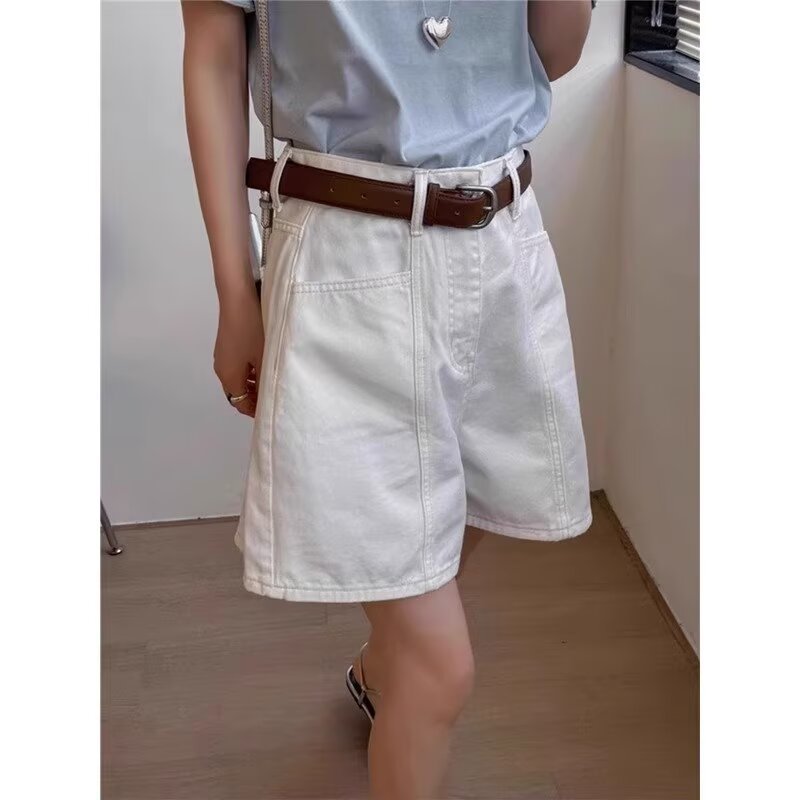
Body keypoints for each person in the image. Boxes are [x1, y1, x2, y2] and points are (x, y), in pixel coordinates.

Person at [181, 1, 593, 797]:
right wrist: (235, 292)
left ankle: (382, 668)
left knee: (483, 501)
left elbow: (550, 52)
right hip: (347, 252)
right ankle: (405, 666)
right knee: (440, 670)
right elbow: (215, 57)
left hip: (505, 238)